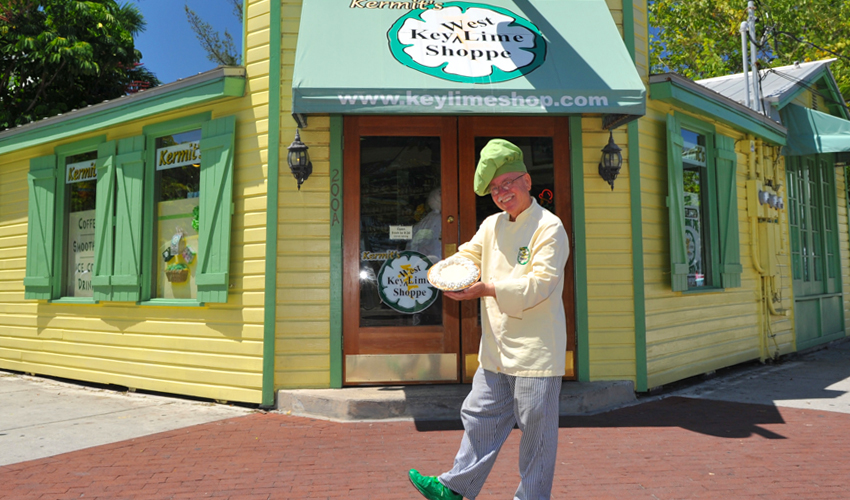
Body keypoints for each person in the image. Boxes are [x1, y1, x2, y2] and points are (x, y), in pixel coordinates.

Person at [408, 139, 569, 500]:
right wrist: (446, 270)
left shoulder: (549, 227)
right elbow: (469, 255)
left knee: (536, 436)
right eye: (495, 188)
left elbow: (540, 284)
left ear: (527, 181)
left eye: (508, 183)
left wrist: (485, 289)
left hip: (536, 351)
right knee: (479, 417)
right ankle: (454, 488)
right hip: (496, 348)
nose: (502, 192)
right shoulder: (491, 225)